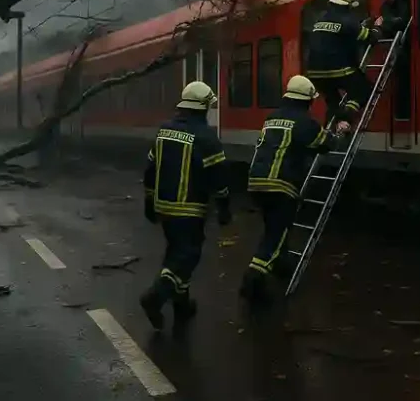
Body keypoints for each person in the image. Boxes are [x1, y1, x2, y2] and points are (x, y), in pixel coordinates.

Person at [240, 75, 350, 307]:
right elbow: (327, 145)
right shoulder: (305, 123)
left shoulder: (271, 118)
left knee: (274, 227)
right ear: (306, 101)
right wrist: (341, 131)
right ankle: (252, 280)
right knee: (275, 235)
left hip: (256, 182)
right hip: (281, 186)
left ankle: (281, 265)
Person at [140, 81, 231, 331]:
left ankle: (182, 305)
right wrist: (224, 207)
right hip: (190, 210)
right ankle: (155, 297)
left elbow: (150, 170)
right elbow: (219, 178)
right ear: (202, 108)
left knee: (175, 253)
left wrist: (149, 202)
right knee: (187, 256)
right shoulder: (206, 136)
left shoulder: (164, 131)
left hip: (164, 208)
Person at [305, 0, 381, 126]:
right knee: (364, 90)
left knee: (333, 102)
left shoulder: (319, 21)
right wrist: (377, 27)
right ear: (348, 5)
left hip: (315, 74)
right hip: (340, 70)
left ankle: (334, 130)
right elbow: (370, 38)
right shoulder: (348, 21)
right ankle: (347, 116)